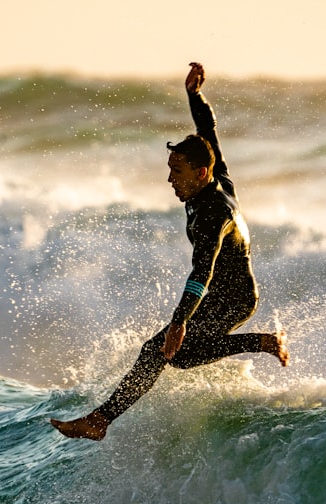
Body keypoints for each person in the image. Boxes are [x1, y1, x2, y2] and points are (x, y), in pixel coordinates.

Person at [51, 62, 289, 441]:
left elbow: (202, 272)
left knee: (160, 351)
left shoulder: (216, 214)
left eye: (176, 170)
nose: (169, 179)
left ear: (200, 173)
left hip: (234, 299)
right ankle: (260, 342)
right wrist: (195, 96)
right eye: (169, 168)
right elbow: (208, 131)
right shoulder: (216, 173)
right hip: (224, 294)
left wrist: (179, 323)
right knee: (167, 355)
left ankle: (100, 421)